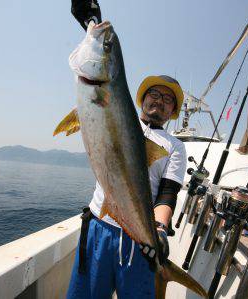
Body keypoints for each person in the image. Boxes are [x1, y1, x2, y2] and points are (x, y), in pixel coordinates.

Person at [66, 74, 187, 298]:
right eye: (155, 93)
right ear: (142, 98)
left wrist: (159, 229)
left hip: (140, 243)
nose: (160, 101)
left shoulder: (175, 147)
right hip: (99, 226)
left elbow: (167, 193)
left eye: (168, 99)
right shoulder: (116, 117)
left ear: (173, 110)